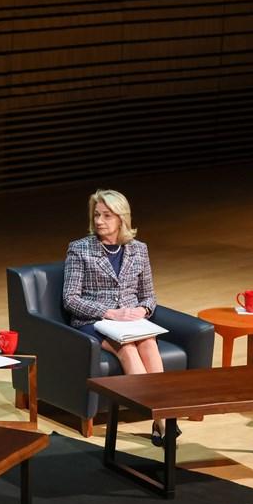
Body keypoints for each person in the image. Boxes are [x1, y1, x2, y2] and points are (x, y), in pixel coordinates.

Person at [63, 189, 176, 446]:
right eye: (96, 215)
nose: (99, 221)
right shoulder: (80, 249)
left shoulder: (139, 250)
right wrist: (110, 312)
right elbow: (70, 299)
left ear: (121, 219)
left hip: (131, 321)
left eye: (106, 215)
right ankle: (162, 421)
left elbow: (149, 296)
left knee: (148, 343)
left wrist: (143, 311)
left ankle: (163, 418)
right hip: (94, 322)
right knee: (127, 349)